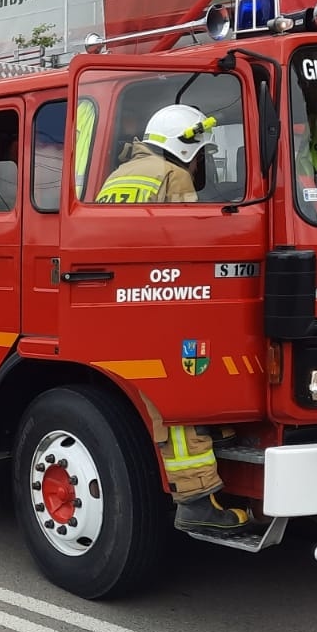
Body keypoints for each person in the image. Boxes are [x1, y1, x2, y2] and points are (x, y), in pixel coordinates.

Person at [97, 103, 251, 535]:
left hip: (120, 304)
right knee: (180, 400)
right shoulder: (175, 176)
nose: (202, 162)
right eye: (201, 152)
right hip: (163, 302)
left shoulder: (117, 176)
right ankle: (197, 498)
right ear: (186, 147)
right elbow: (191, 243)